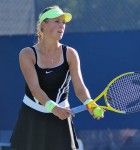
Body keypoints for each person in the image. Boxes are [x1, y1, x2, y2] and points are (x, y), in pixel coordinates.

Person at [10, 5, 103, 150]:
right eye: (56, 21)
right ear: (43, 25)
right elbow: (34, 88)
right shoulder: (27, 54)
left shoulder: (71, 54)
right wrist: (53, 108)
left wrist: (90, 103)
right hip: (32, 117)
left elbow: (79, 88)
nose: (62, 26)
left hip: (61, 118)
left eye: (63, 22)